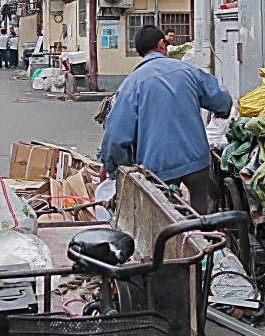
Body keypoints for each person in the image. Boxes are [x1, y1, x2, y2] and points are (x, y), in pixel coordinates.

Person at [98, 25, 231, 213]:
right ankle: (207, 237)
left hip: (156, 168)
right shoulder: (188, 70)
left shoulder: (131, 84)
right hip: (196, 159)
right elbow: (222, 102)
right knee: (201, 214)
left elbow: (116, 136)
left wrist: (114, 169)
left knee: (164, 220)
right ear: (162, 44)